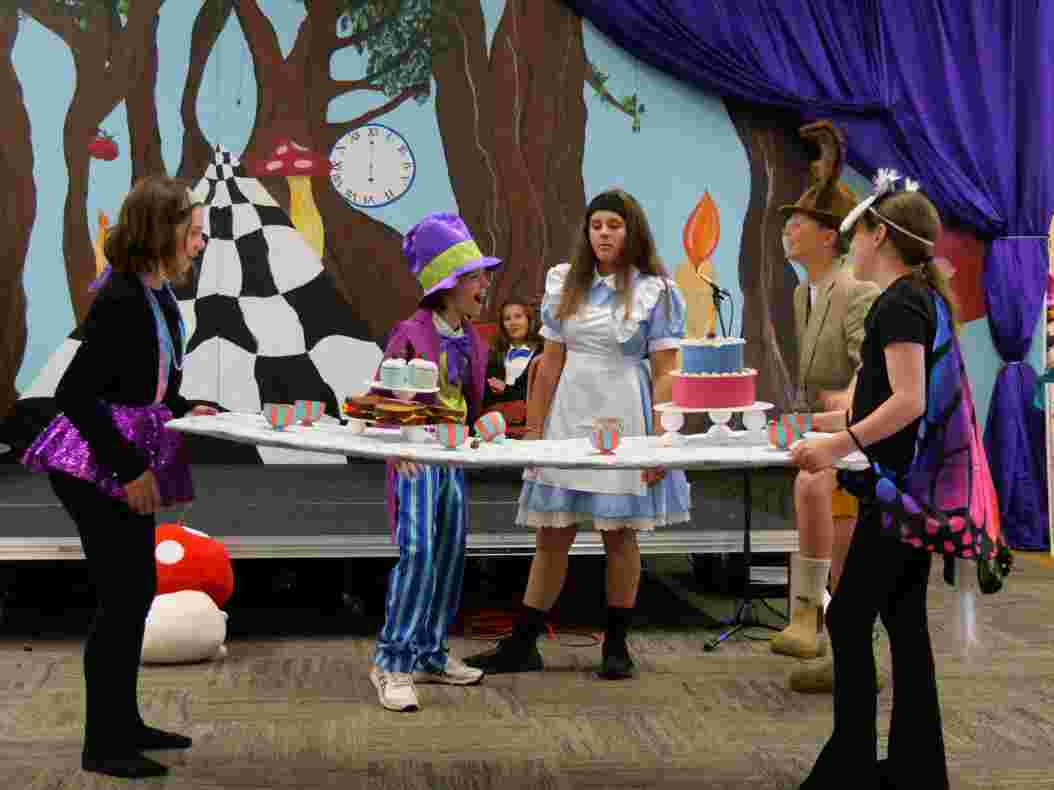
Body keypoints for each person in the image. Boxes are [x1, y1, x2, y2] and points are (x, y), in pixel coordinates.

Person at [20, 176, 216, 779]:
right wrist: (128, 469)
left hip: (121, 455)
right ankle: (102, 744)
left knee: (136, 592)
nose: (201, 240)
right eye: (193, 230)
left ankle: (123, 723)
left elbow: (145, 378)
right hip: (94, 464)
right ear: (162, 232)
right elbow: (75, 393)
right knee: (121, 597)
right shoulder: (122, 300)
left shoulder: (156, 294)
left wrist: (182, 406)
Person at [465, 189, 691, 680]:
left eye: (614, 225)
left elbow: (666, 372)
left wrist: (660, 440)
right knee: (552, 532)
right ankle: (523, 645)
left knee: (620, 535)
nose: (604, 233)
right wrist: (535, 433)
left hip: (625, 413)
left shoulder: (656, 290)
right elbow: (549, 364)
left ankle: (617, 645)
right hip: (569, 413)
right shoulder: (564, 282)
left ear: (632, 231)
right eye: (596, 225)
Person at [790, 175, 951, 789]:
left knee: (850, 617)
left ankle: (852, 763)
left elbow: (909, 401)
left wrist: (835, 446)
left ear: (879, 235)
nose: (849, 245)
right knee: (904, 624)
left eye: (855, 234)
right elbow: (894, 399)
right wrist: (829, 425)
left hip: (895, 493)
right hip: (911, 490)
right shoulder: (916, 298)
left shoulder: (899, 303)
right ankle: (916, 768)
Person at [370, 212, 500, 712]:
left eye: (483, 277)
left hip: (452, 459)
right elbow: (384, 399)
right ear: (447, 285)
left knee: (448, 553)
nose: (483, 286)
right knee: (419, 551)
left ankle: (429, 652)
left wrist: (485, 425)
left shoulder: (473, 339)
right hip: (416, 458)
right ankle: (392, 661)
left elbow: (470, 405)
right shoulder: (409, 333)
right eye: (474, 278)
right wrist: (395, 445)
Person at [773, 121, 880, 693]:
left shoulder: (858, 290)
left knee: (841, 543)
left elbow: (876, 368)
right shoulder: (801, 293)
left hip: (860, 436)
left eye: (799, 223)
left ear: (828, 236)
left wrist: (846, 399)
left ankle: (823, 628)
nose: (787, 230)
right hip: (826, 431)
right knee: (828, 531)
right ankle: (837, 650)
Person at [482, 297, 544, 427]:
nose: (513, 322)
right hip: (497, 421)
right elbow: (487, 393)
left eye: (518, 316)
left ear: (529, 320)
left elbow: (539, 392)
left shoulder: (542, 352)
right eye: (507, 319)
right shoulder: (494, 353)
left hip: (532, 420)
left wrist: (506, 389)